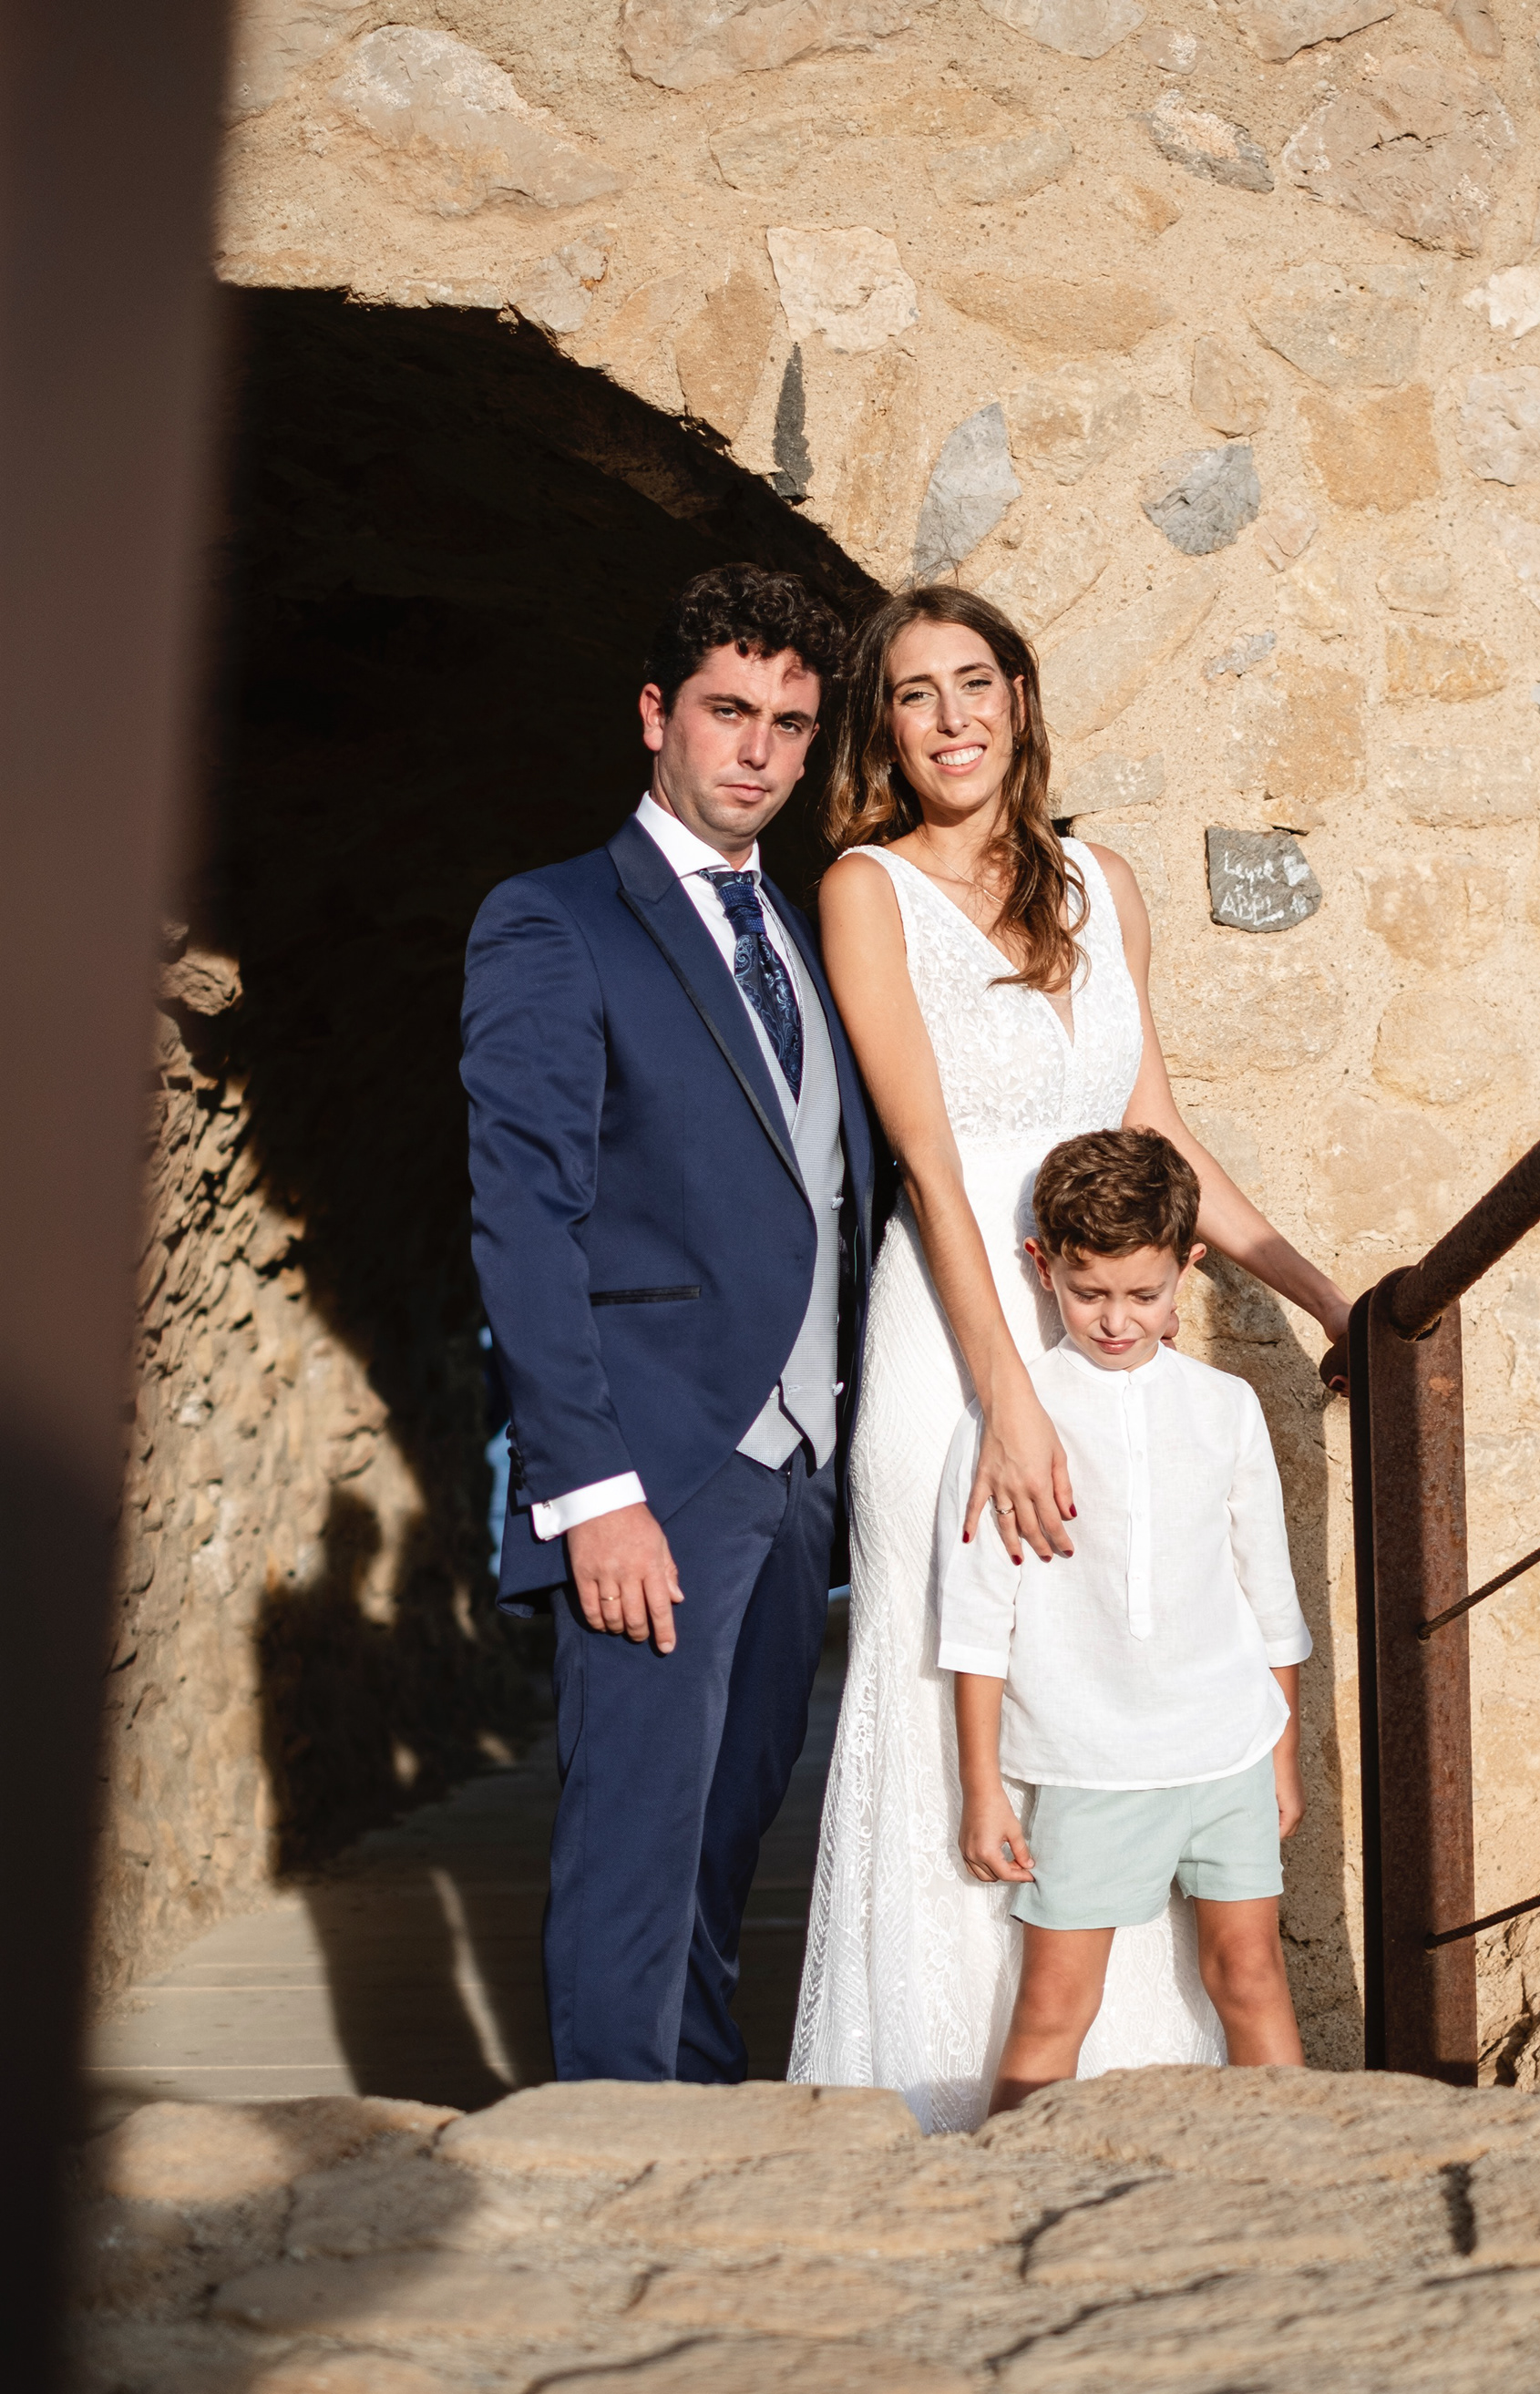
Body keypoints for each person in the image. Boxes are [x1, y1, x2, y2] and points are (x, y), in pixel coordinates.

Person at [786, 582, 1346, 2131]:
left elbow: (1155, 1128)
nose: (951, 717)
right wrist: (1010, 1398)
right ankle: (940, 2097)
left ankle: (1133, 2091)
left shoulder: (1107, 886)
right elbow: (927, 1164)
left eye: (975, 682)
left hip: (1101, 1343)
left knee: (1114, 1674)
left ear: (1020, 700)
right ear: (885, 727)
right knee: (949, 1670)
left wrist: (1318, 1289)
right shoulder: (864, 889)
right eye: (915, 693)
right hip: (958, 1340)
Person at [460, 566, 874, 2085]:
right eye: (726, 711)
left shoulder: (813, 937)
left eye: (789, 724)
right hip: (654, 1470)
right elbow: (525, 1223)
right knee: (634, 1856)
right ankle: (608, 2163)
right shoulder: (555, 920)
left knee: (722, 1850)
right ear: (656, 714)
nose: (757, 751)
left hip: (799, 1472)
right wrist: (593, 1490)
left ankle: (698, 2150)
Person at [940, 1128, 1310, 2111]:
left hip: (1228, 1751)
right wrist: (983, 1788)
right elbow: (977, 1617)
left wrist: (1280, 1753)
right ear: (1044, 1266)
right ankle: (1007, 2184)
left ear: (1187, 1266)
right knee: (1054, 2006)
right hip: (1089, 1763)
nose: (1115, 1319)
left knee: (1252, 1977)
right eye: (1088, 1291)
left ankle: (1306, 2171)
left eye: (1144, 1294)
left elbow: (1269, 1596)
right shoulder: (1010, 1419)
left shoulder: (1227, 1407)